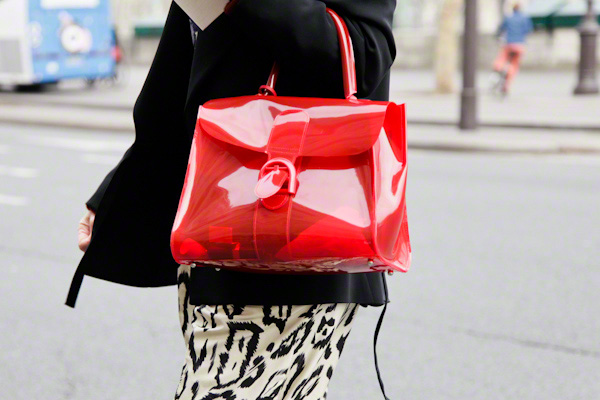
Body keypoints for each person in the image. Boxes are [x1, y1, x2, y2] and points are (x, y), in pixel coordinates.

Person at [71, 1, 396, 398]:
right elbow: (178, 82)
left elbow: (365, 53)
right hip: (212, 230)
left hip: (298, 245)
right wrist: (117, 189)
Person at [493, 2, 533, 94]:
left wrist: (497, 36)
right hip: (519, 45)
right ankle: (507, 84)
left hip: (509, 43)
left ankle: (498, 69)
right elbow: (528, 30)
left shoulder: (508, 18)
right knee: (514, 64)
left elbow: (501, 28)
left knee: (502, 58)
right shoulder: (525, 18)